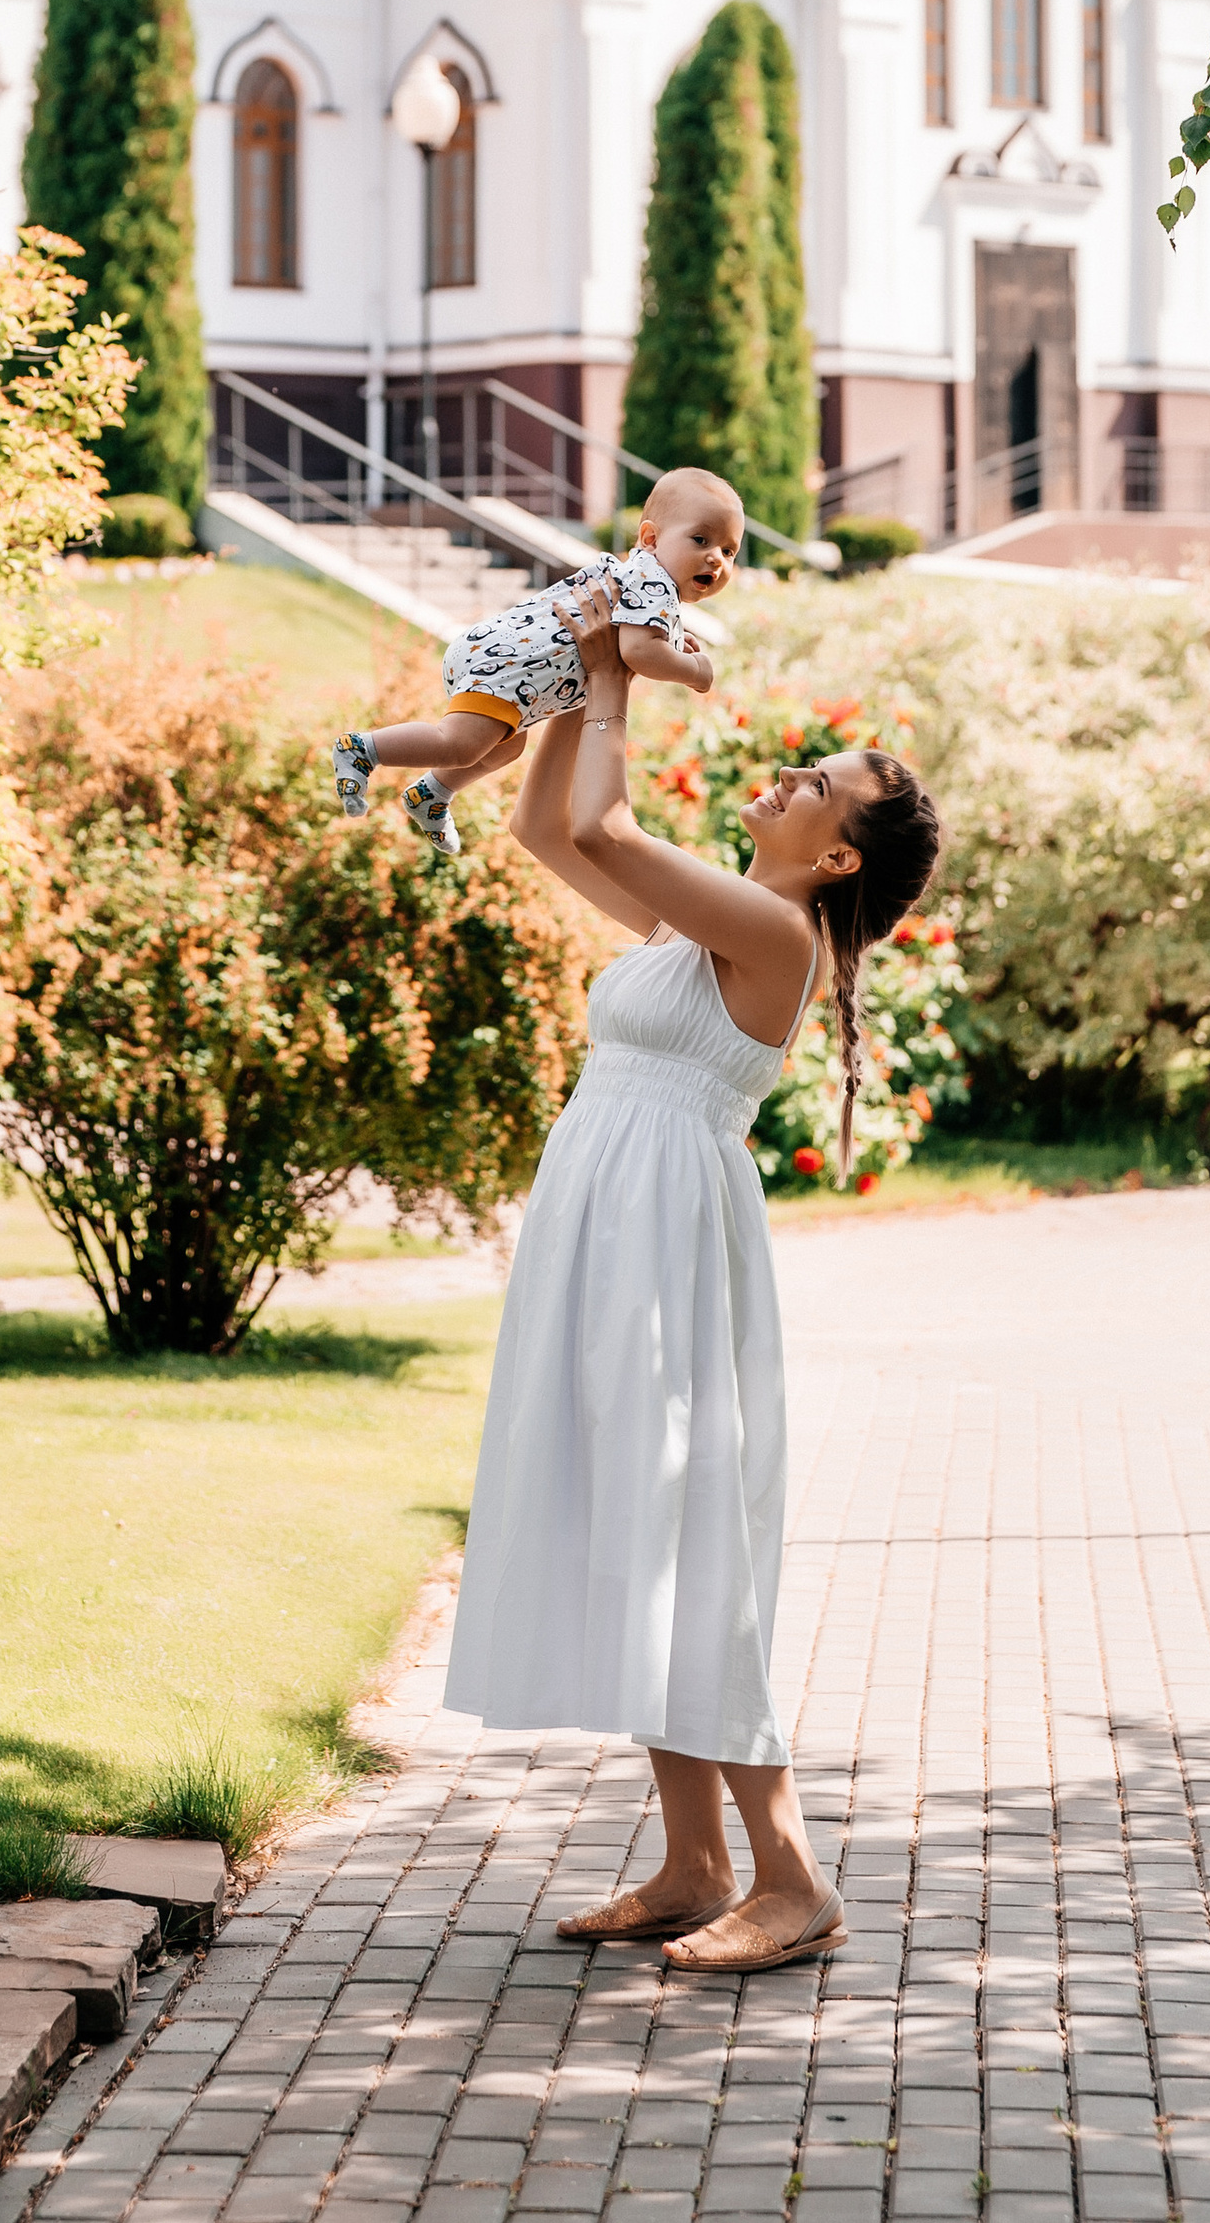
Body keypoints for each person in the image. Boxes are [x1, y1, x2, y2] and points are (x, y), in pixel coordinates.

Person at [443, 573, 941, 1975]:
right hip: (612, 1213)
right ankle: (692, 1860)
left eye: (815, 782)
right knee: (635, 1525)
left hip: (664, 1236)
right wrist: (560, 674)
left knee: (687, 1539)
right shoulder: (708, 919)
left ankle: (790, 1877)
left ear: (839, 857)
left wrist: (612, 670)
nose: (785, 777)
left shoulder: (774, 932)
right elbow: (552, 823)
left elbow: (602, 819)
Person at [332, 466, 741, 855]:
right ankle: (362, 749)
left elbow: (637, 636)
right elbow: (638, 652)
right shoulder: (654, 582)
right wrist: (696, 671)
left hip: (503, 664)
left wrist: (669, 640)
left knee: (504, 748)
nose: (716, 559)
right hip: (508, 670)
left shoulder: (641, 576)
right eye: (701, 540)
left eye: (728, 550)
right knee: (457, 744)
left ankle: (432, 794)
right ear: (650, 538)